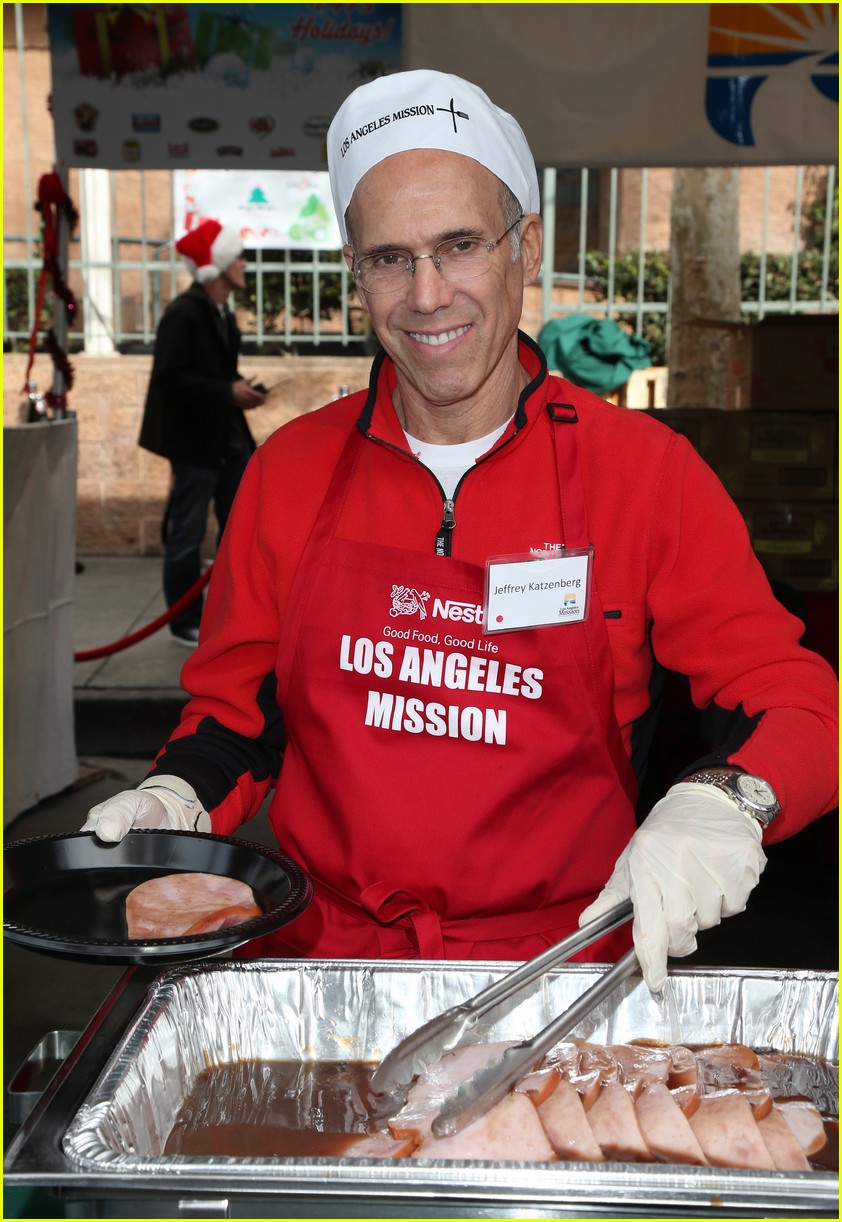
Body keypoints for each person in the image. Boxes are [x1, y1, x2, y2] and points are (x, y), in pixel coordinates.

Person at [84, 70, 838, 992]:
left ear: (524, 246)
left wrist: (729, 798)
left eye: (458, 245)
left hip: (562, 972)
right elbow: (239, 722)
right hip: (324, 968)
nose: (428, 294)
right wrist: (178, 794)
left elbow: (797, 700)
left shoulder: (644, 474)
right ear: (356, 272)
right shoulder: (290, 474)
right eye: (389, 258)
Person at [138, 218, 266, 646]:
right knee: (187, 535)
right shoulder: (183, 313)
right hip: (196, 445)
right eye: (239, 256)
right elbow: (170, 379)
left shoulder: (220, 313)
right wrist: (226, 391)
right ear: (221, 264)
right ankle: (183, 620)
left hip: (226, 442)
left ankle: (232, 616)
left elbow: (215, 375)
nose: (246, 264)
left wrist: (240, 389)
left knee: (239, 532)